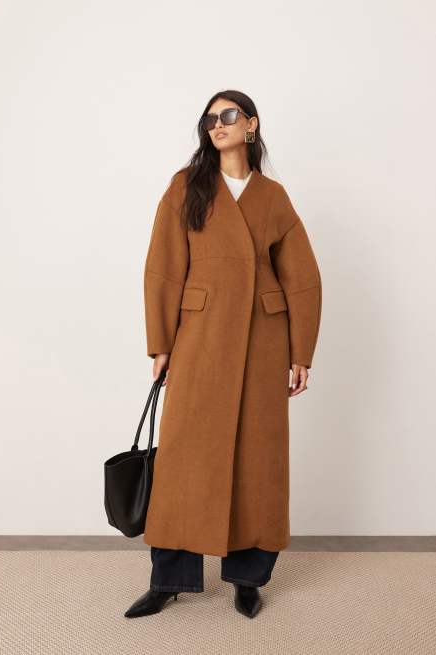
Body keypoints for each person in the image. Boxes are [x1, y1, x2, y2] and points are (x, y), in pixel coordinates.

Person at [125, 89, 322, 619]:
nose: (218, 124)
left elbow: (302, 278)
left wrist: (301, 351)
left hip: (263, 339)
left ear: (251, 125)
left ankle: (247, 578)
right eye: (210, 118)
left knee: (259, 460)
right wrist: (161, 344)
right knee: (183, 457)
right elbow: (163, 267)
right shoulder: (186, 186)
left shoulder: (273, 197)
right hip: (201, 337)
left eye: (229, 115)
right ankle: (169, 579)